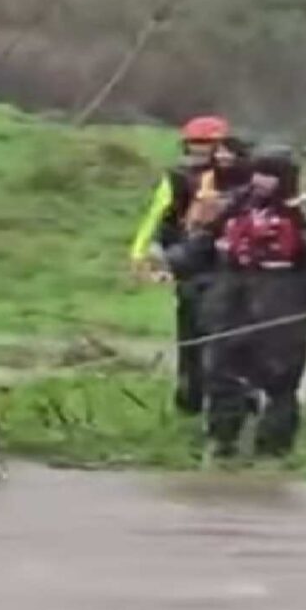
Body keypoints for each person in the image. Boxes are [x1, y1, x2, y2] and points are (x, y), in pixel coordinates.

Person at [163, 145, 306, 464]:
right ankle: (222, 443)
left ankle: (272, 451)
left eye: (270, 175)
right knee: (221, 373)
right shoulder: (237, 204)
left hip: (284, 299)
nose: (261, 181)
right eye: (258, 172)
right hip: (230, 296)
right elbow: (203, 243)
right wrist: (171, 265)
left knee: (280, 378)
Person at [128, 115, 253, 414]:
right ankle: (191, 402)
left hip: (235, 269)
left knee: (234, 343)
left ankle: (237, 404)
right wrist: (145, 254)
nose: (200, 152)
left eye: (207, 145)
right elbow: (159, 216)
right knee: (192, 339)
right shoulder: (179, 176)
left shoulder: (247, 178)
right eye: (194, 145)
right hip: (193, 265)